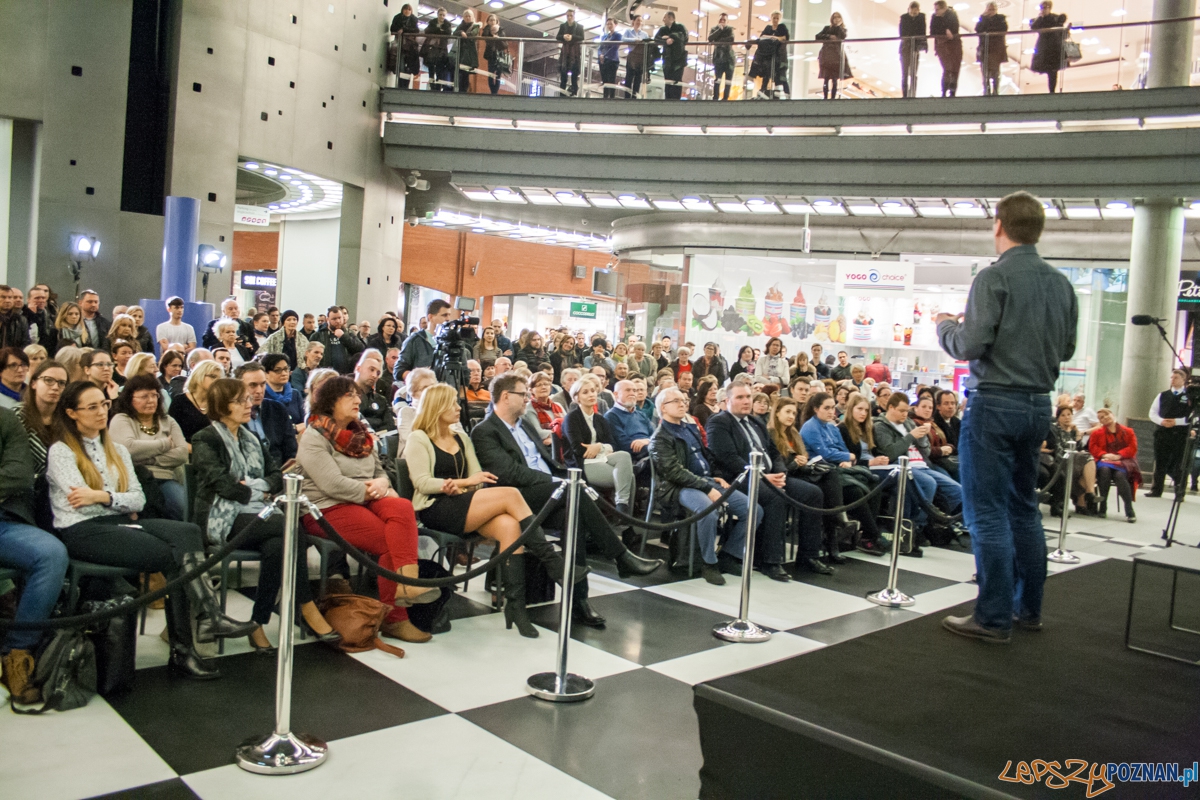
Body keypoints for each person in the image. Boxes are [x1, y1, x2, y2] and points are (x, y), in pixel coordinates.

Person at [936, 191, 1077, 642]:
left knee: (987, 513)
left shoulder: (993, 279)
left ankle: (992, 617)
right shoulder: (1060, 283)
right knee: (1024, 509)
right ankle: (1027, 609)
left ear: (999, 225)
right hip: (1038, 403)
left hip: (994, 403)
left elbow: (969, 344)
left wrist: (944, 325)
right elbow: (1068, 348)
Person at [48, 381, 255, 679]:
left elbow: (138, 499)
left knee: (186, 532)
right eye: (91, 407)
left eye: (104, 404)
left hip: (121, 521)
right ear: (71, 413)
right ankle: (187, 646)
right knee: (176, 558)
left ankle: (207, 620)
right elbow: (80, 502)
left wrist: (103, 496)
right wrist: (113, 499)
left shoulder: (116, 448)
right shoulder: (62, 452)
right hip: (84, 530)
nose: (100, 412)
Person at [471, 374, 662, 619]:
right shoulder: (485, 431)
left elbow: (547, 462)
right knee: (575, 490)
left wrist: (560, 479)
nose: (528, 399)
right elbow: (508, 473)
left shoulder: (525, 425)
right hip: (517, 496)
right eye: (523, 395)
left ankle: (579, 602)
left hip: (548, 491)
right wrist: (557, 482)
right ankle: (621, 556)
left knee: (574, 519)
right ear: (506, 397)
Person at [409, 382, 580, 636]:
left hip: (464, 502)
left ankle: (516, 606)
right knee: (511, 494)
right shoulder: (418, 438)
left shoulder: (461, 437)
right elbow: (422, 482)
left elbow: (478, 473)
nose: (459, 407)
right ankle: (552, 561)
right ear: (438, 407)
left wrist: (466, 485)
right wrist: (460, 483)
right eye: (453, 403)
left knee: (510, 527)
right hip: (436, 508)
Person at [192, 378, 338, 653]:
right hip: (221, 517)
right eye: (241, 401)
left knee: (278, 545)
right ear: (222, 406)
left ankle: (258, 623)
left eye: (248, 399)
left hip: (258, 514)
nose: (249, 404)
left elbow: (274, 476)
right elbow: (221, 484)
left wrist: (253, 486)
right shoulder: (206, 438)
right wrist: (257, 490)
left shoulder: (252, 437)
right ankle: (305, 605)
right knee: (289, 530)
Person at [297, 377, 432, 643]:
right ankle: (396, 617)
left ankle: (407, 587)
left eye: (357, 395)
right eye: (350, 396)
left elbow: (379, 470)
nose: (359, 400)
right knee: (386, 540)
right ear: (330, 402)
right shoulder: (313, 436)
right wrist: (371, 491)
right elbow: (331, 484)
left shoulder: (361, 433)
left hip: (364, 497)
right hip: (325, 507)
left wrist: (382, 483)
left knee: (402, 507)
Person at [708, 382, 830, 578]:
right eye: (740, 397)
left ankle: (808, 556)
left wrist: (781, 473)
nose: (746, 401)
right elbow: (727, 457)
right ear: (727, 401)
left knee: (812, 493)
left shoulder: (756, 422)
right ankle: (770, 561)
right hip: (740, 479)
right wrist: (763, 477)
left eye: (748, 397)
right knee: (775, 498)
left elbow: (773, 452)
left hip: (771, 476)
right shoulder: (719, 422)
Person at [652, 388, 759, 585]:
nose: (683, 403)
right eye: (676, 401)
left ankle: (729, 554)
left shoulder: (689, 428)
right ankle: (708, 563)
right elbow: (674, 472)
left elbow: (706, 455)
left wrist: (716, 476)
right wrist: (706, 487)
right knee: (708, 511)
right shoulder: (660, 437)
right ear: (663, 408)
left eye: (684, 400)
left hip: (705, 480)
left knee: (753, 509)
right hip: (678, 487)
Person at [0, 403, 68, 704]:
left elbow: (19, 475)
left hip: (5, 521)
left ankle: (17, 655)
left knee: (51, 553)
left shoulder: (4, 418)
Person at [108, 374, 188, 521]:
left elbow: (182, 453)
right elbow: (128, 449)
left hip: (165, 478)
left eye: (154, 395)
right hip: (134, 479)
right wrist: (165, 444)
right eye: (144, 396)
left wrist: (149, 459)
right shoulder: (121, 419)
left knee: (184, 507)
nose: (151, 400)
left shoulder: (168, 420)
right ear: (130, 398)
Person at [562, 376, 636, 517]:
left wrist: (598, 447)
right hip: (583, 464)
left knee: (624, 456)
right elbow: (578, 449)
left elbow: (612, 445)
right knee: (629, 478)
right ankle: (625, 518)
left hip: (601, 458)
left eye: (593, 391)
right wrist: (601, 449)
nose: (591, 394)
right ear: (577, 398)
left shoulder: (600, 418)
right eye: (585, 392)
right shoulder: (572, 418)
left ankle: (621, 508)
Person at [235, 362, 297, 465]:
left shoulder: (277, 409)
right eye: (253, 385)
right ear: (238, 386)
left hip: (279, 469)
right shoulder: (233, 414)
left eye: (263, 384)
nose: (259, 390)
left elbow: (291, 450)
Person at [1043, 404, 1096, 515]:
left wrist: (1077, 435)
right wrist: (1068, 433)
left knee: (1085, 470)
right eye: (1063, 415)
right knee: (1087, 457)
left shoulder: (1073, 429)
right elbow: (1060, 449)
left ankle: (1082, 503)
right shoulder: (1054, 429)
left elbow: (1078, 448)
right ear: (1058, 417)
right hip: (1061, 459)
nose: (1067, 417)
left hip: (1074, 459)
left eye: (1069, 414)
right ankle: (1090, 493)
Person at [1145, 367, 1190, 497]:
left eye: (1176, 377)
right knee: (1160, 462)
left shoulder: (1188, 397)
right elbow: (1152, 413)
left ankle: (1179, 492)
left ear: (1183, 380)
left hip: (1180, 435)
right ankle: (1156, 490)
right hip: (1162, 433)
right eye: (1171, 377)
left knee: (1179, 464)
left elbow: (1193, 416)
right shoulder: (1162, 395)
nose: (1173, 380)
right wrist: (1161, 421)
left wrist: (1177, 421)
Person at [1088, 408, 1139, 522]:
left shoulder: (1128, 431)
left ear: (1112, 414)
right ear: (1100, 422)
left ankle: (1129, 508)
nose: (1105, 417)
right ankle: (1103, 504)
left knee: (1119, 476)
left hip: (1122, 461)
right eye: (1101, 417)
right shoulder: (1096, 433)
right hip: (1104, 460)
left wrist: (1119, 456)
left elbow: (1132, 448)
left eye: (1106, 414)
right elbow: (1093, 448)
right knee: (1105, 470)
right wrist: (1104, 455)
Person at [395, 299, 453, 381]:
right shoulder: (414, 340)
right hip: (423, 391)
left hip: (448, 392)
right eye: (444, 315)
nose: (448, 319)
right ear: (431, 317)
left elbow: (465, 374)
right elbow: (399, 371)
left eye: (449, 315)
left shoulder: (453, 342)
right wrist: (418, 376)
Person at [170, 359, 224, 442]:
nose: (217, 381)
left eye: (219, 378)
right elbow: (172, 437)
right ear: (199, 375)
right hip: (185, 450)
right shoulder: (180, 402)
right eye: (213, 376)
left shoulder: (218, 403)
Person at [394, 367, 438, 455]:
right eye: (425, 388)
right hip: (413, 457)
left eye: (433, 388)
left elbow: (459, 437)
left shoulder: (444, 411)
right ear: (413, 393)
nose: (430, 392)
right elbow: (410, 440)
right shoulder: (406, 412)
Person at [310, 306, 364, 375]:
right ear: (327, 319)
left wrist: (344, 337)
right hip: (324, 375)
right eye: (334, 319)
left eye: (339, 318)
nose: (338, 321)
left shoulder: (349, 333)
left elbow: (360, 349)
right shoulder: (318, 335)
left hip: (346, 375)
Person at [1030, 1, 1068, 94]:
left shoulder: (1055, 18)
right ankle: (1051, 91)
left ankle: (1052, 91)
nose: (1043, 9)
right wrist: (1040, 17)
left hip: (1054, 48)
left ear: (1050, 8)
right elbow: (1033, 27)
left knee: (1053, 71)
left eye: (1045, 7)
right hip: (1043, 48)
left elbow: (1060, 28)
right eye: (1042, 7)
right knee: (1048, 69)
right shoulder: (1038, 19)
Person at [750, 12, 790, 99]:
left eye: (777, 18)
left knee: (781, 76)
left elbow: (784, 38)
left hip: (778, 56)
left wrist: (774, 38)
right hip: (767, 55)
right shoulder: (768, 28)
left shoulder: (782, 27)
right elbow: (762, 37)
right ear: (771, 18)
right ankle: (763, 90)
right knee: (767, 73)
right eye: (774, 18)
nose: (775, 20)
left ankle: (786, 95)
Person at [354, 350, 396, 434]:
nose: (374, 375)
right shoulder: (346, 395)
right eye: (371, 369)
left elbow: (390, 425)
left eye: (378, 372)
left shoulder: (381, 400)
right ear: (358, 368)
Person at [261, 353, 305, 427]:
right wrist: (294, 428)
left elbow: (304, 422)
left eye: (286, 369)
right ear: (265, 373)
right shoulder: (262, 395)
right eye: (278, 370)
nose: (284, 373)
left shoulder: (295, 394)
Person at [930, 0, 963, 97]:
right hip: (942, 45)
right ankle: (944, 91)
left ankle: (952, 92)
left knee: (955, 69)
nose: (936, 11)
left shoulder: (952, 15)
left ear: (944, 8)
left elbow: (954, 30)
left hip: (954, 46)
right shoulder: (935, 17)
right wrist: (945, 30)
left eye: (937, 9)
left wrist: (948, 30)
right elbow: (933, 31)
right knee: (947, 68)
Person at [975, 2, 1008, 97]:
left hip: (996, 49)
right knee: (985, 71)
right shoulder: (983, 18)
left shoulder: (1001, 18)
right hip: (984, 48)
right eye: (990, 9)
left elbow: (1003, 29)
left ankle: (995, 90)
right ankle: (987, 90)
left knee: (995, 71)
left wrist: (989, 29)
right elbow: (978, 29)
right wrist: (984, 18)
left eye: (993, 9)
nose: (991, 11)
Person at [655, 12, 689, 100]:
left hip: (679, 59)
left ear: (671, 18)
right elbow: (656, 39)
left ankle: (676, 100)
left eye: (665, 17)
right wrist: (665, 41)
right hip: (667, 60)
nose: (663, 20)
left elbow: (684, 37)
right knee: (667, 81)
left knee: (676, 81)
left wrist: (670, 37)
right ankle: (668, 100)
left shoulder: (680, 27)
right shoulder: (663, 29)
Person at [816, 13, 850, 99]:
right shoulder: (827, 28)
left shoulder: (842, 29)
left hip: (836, 57)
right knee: (826, 78)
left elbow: (842, 36)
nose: (836, 19)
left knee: (835, 79)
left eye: (838, 17)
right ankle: (825, 97)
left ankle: (833, 98)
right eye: (834, 17)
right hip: (827, 56)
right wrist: (830, 36)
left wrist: (837, 27)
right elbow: (817, 36)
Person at [898, 2, 927, 99]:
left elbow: (922, 32)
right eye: (912, 11)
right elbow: (902, 33)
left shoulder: (921, 18)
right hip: (906, 47)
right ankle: (905, 94)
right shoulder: (904, 18)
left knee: (913, 73)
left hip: (915, 47)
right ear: (909, 9)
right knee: (905, 73)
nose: (914, 13)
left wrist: (922, 43)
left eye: (916, 12)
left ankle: (912, 93)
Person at [421, 7, 454, 91]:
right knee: (431, 69)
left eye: (443, 15)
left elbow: (448, 33)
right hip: (431, 50)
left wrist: (436, 31)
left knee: (440, 70)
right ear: (437, 15)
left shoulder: (447, 24)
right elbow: (427, 31)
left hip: (441, 50)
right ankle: (432, 87)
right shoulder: (432, 22)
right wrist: (440, 30)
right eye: (440, 14)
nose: (442, 16)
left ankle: (438, 88)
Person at [390, 3, 421, 89]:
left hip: (410, 48)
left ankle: (405, 86)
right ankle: (400, 86)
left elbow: (416, 30)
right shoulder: (397, 18)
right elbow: (392, 28)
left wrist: (403, 30)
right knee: (401, 67)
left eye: (409, 9)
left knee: (408, 69)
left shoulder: (414, 19)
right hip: (400, 47)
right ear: (402, 10)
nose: (407, 11)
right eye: (405, 9)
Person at [556, 9, 586, 97]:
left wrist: (572, 37)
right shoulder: (563, 26)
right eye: (568, 16)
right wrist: (564, 37)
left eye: (571, 16)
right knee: (563, 74)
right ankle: (562, 94)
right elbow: (558, 37)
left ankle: (574, 93)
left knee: (574, 74)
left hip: (575, 53)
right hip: (565, 53)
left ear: (574, 16)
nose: (569, 17)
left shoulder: (579, 27)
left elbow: (582, 37)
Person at [622, 15, 650, 99]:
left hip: (640, 58)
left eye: (641, 21)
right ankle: (626, 97)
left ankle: (634, 97)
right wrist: (634, 40)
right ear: (633, 21)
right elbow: (623, 39)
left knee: (638, 79)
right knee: (629, 78)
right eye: (638, 20)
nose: (639, 22)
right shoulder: (628, 31)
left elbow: (647, 44)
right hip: (631, 56)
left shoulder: (645, 34)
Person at [23, 284, 57, 354]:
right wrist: (32, 314)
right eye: (37, 298)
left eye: (43, 298)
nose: (41, 300)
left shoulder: (47, 314)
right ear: (28, 300)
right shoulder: (23, 314)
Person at [481, 14, 510, 95]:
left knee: (498, 75)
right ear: (488, 21)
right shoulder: (487, 30)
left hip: (499, 56)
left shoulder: (501, 31)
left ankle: (495, 92)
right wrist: (487, 27)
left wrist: (498, 39)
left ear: (497, 21)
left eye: (494, 20)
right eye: (491, 20)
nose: (492, 22)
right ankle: (492, 91)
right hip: (491, 55)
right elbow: (484, 36)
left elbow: (505, 45)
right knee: (490, 74)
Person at [452, 9, 479, 93]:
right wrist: (461, 32)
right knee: (460, 73)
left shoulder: (475, 26)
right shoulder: (461, 26)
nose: (467, 18)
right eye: (466, 16)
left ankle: (464, 90)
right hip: (461, 52)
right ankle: (459, 90)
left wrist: (464, 35)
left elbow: (473, 34)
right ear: (463, 17)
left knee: (466, 73)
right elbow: (454, 33)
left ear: (472, 17)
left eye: (469, 16)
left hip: (469, 54)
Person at [709, 13, 735, 101]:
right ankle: (715, 97)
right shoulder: (714, 29)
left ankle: (725, 98)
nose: (722, 21)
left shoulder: (729, 29)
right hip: (718, 58)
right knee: (717, 79)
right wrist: (719, 30)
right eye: (721, 19)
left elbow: (731, 39)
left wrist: (718, 41)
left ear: (727, 21)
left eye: (724, 20)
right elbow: (710, 38)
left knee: (728, 80)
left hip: (729, 58)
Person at [597, 18, 622, 99]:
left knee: (611, 80)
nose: (609, 26)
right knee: (605, 80)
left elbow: (614, 47)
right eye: (608, 24)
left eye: (611, 24)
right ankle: (605, 97)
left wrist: (604, 55)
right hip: (603, 61)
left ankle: (611, 97)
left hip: (612, 60)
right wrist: (600, 55)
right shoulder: (604, 36)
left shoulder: (618, 35)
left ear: (615, 24)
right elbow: (600, 47)